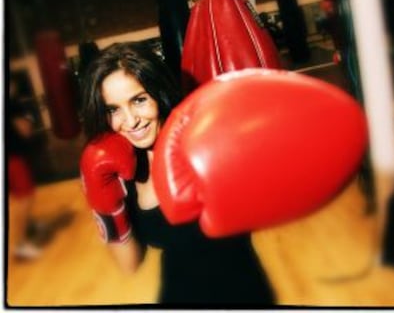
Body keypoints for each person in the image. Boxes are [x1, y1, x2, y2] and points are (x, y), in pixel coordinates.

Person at [80, 42, 275, 305]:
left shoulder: (199, 141)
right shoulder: (120, 167)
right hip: (177, 294)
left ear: (159, 93)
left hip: (240, 292)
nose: (130, 121)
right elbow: (130, 263)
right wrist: (105, 204)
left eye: (138, 100)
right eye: (113, 109)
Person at [8, 77, 42, 260]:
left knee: (18, 198)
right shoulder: (11, 105)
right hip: (13, 157)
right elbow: (25, 130)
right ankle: (20, 245)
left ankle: (29, 226)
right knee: (25, 198)